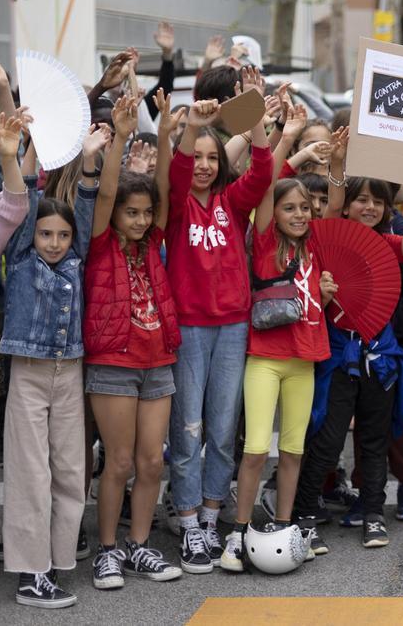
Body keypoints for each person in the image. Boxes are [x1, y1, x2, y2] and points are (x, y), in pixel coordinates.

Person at [295, 153, 403, 551]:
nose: (370, 207)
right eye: (362, 199)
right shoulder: (328, 239)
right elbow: (335, 205)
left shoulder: (390, 243)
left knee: (375, 439)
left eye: (378, 201)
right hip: (339, 353)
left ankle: (374, 514)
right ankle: (304, 514)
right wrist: (339, 168)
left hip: (381, 353)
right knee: (327, 437)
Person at [163, 70, 275, 574]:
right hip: (188, 329)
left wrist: (255, 125)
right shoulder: (177, 207)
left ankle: (211, 517)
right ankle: (187, 526)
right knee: (187, 432)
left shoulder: (232, 204)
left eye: (213, 157)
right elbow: (180, 170)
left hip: (233, 326)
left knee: (224, 430)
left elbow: (261, 173)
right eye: (199, 158)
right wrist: (194, 128)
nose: (205, 166)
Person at [86, 95, 183, 588]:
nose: (142, 220)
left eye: (146, 213)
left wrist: (164, 135)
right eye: (132, 213)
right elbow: (103, 197)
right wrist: (121, 137)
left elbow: (163, 190)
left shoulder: (154, 242)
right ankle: (107, 550)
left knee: (150, 460)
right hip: (113, 362)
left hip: (158, 361)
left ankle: (139, 547)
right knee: (119, 462)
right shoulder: (100, 243)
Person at [220, 177, 338, 571]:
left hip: (304, 361)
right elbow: (267, 183)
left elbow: (334, 207)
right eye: (290, 208)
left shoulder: (317, 244)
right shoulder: (266, 240)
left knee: (292, 450)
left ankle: (285, 528)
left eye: (305, 207)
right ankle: (237, 534)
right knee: (255, 449)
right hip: (265, 359)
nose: (300, 215)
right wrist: (287, 144)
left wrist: (336, 164)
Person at [0, 112, 76, 607]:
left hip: (71, 369)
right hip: (28, 370)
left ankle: (57, 562)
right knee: (30, 473)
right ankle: (30, 574)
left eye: (62, 235)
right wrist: (19, 151)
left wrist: (88, 157)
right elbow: (18, 203)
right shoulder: (22, 257)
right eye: (46, 234)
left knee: (69, 471)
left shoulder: (75, 261)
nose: (53, 242)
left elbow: (87, 204)